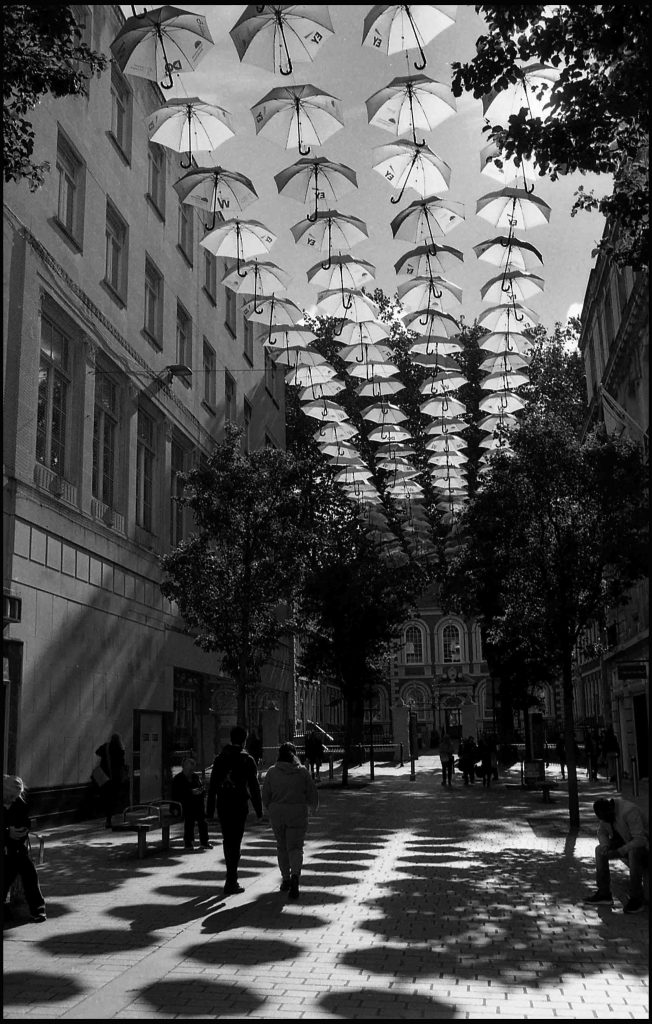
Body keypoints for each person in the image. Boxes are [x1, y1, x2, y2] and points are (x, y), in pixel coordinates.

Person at [206, 726, 263, 896]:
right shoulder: (247, 759)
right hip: (239, 805)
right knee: (236, 841)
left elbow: (212, 786)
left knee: (227, 839)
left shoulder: (220, 759)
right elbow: (254, 787)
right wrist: (259, 811)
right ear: (244, 740)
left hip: (223, 804)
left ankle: (230, 875)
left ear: (231, 739)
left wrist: (209, 811)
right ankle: (232, 878)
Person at [262, 741, 318, 899]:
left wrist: (268, 808)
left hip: (278, 814)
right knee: (295, 847)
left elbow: (265, 795)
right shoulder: (302, 772)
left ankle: (285, 879)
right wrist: (312, 807)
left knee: (282, 847)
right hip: (297, 814)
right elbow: (312, 792)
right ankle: (295, 876)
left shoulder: (272, 772)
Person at [584, 797, 649, 914]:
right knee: (599, 850)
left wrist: (621, 851)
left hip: (644, 846)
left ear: (611, 809)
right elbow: (602, 832)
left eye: (607, 818)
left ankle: (636, 898)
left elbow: (640, 840)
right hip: (626, 842)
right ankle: (604, 893)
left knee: (633, 852)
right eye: (603, 819)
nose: (606, 821)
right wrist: (605, 845)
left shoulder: (629, 811)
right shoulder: (606, 813)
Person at [2, 775, 47, 922]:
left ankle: (38, 910)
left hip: (16, 848)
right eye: (11, 796)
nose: (14, 799)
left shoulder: (19, 803)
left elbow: (27, 822)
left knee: (30, 875)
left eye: (16, 796)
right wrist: (7, 832)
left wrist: (23, 830)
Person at [171, 757, 213, 851]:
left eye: (193, 769)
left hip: (195, 803)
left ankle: (204, 842)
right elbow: (176, 794)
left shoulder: (195, 777)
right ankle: (188, 843)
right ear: (184, 768)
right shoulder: (178, 778)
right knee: (189, 818)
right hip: (182, 804)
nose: (191, 771)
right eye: (190, 769)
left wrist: (200, 790)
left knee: (202, 819)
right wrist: (191, 792)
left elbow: (200, 788)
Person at [94, 732, 128, 828]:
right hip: (115, 778)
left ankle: (107, 817)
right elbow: (122, 764)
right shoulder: (120, 750)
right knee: (113, 799)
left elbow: (97, 752)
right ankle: (109, 819)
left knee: (106, 797)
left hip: (105, 777)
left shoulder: (106, 747)